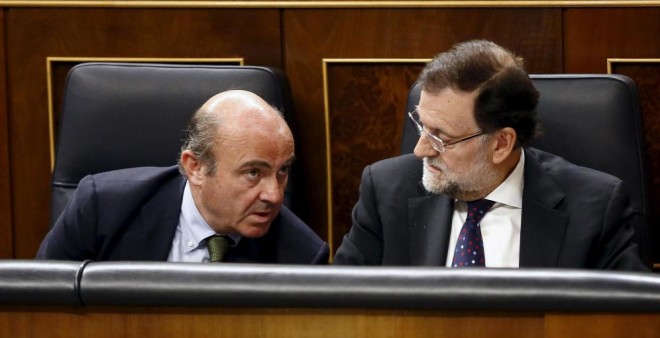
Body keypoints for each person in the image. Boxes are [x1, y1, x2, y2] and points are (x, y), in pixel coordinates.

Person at [333, 40, 647, 271]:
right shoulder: (386, 192)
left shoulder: (594, 209)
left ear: (501, 144)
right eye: (421, 126)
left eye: (441, 137)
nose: (420, 150)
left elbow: (632, 320)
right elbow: (337, 305)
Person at [37, 90, 329, 264]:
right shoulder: (102, 208)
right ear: (195, 167)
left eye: (282, 172)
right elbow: (39, 306)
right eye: (253, 173)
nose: (274, 195)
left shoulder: (302, 256)